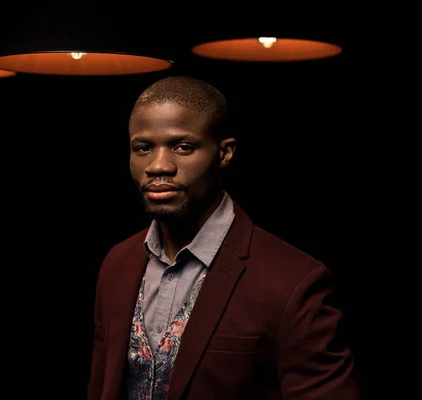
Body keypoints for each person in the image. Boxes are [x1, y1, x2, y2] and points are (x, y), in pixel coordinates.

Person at [86, 76, 360, 400]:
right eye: (143, 148)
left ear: (225, 153)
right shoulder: (117, 264)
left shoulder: (293, 283)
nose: (158, 166)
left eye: (182, 147)